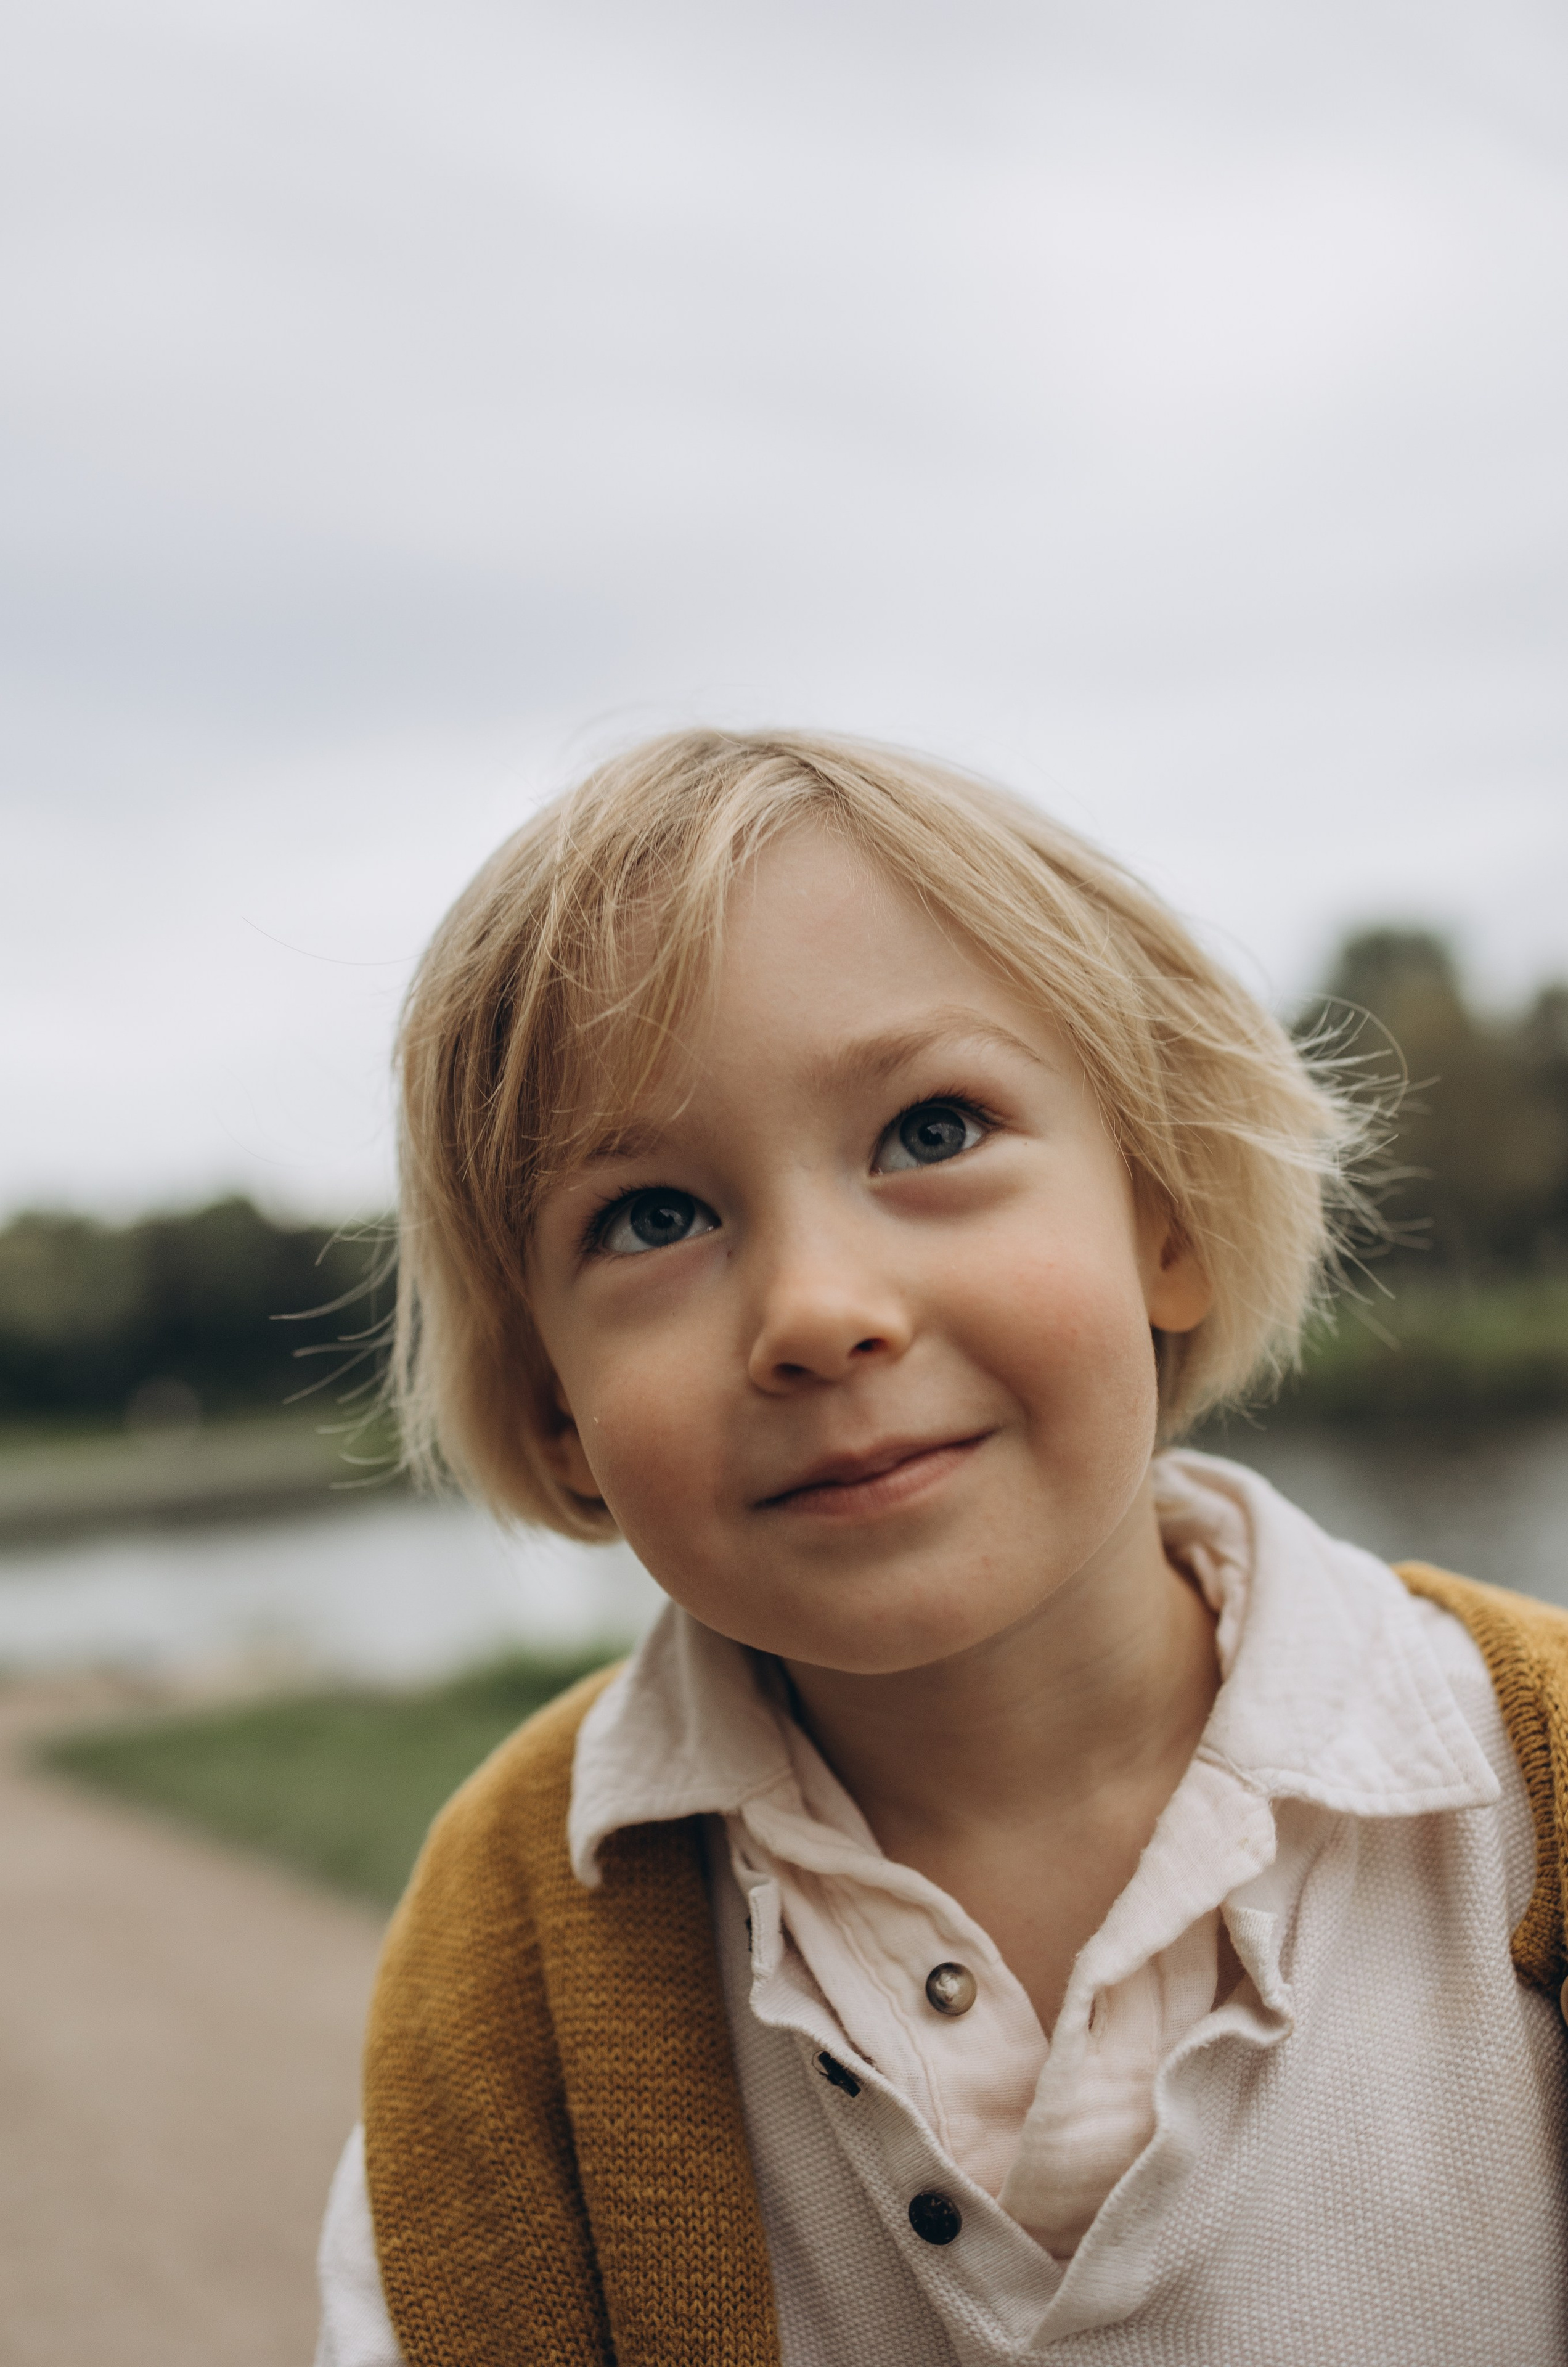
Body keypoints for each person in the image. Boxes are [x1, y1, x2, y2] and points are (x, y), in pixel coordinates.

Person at [315, 730, 1568, 2367]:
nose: (822, 1313)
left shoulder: (1533, 1785)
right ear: (556, 1410)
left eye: (931, 1130)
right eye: (651, 1217)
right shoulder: (514, 1958)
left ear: (1164, 1217)